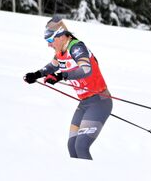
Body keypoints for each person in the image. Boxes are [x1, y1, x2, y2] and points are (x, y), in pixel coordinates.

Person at [23, 15, 113, 160]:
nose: (49, 45)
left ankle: (91, 180)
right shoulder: (60, 52)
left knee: (81, 146)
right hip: (84, 103)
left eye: (50, 40)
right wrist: (36, 74)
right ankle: (77, 179)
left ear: (61, 36)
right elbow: (52, 66)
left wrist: (61, 76)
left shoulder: (77, 48)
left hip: (100, 101)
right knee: (72, 147)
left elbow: (86, 69)